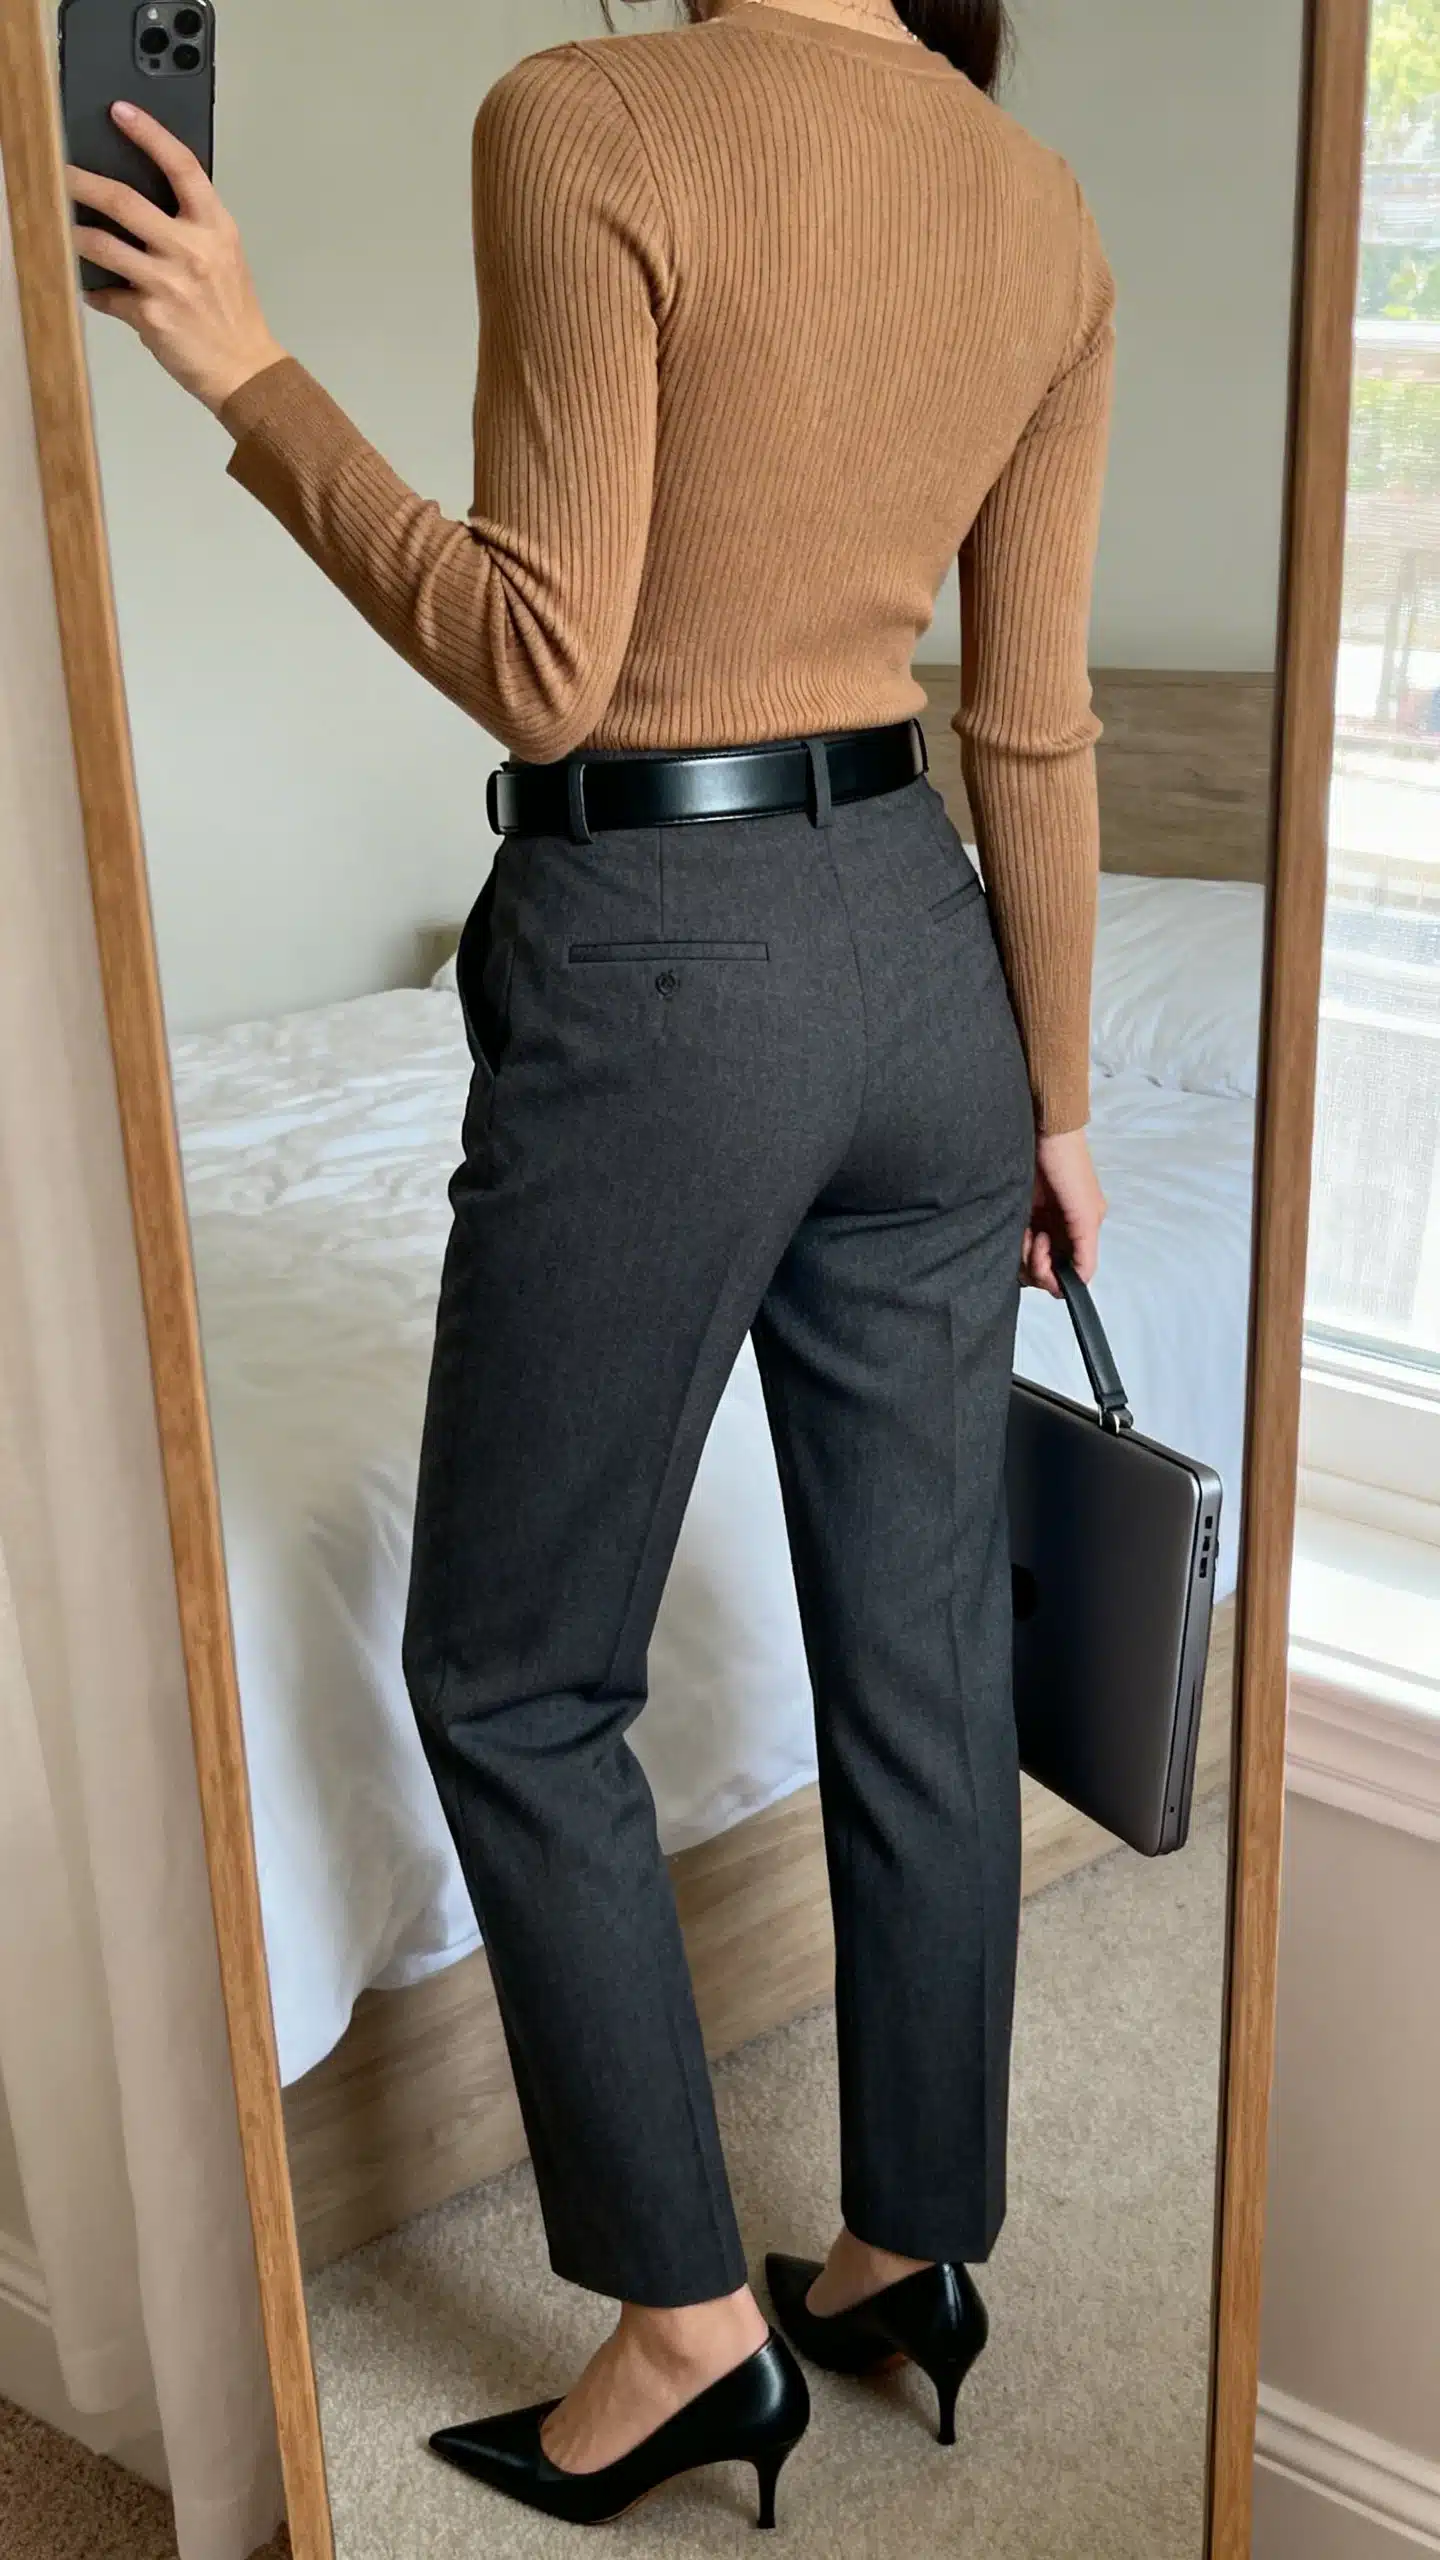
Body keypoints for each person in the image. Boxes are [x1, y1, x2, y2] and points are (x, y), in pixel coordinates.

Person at [68, 0, 1114, 2528]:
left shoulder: (590, 116)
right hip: (931, 967)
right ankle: (908, 2243)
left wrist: (249, 368)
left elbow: (546, 652)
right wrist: (1056, 1083)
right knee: (925, 1651)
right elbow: (1038, 712)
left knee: (513, 1670)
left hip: (670, 960)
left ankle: (683, 2322)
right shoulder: (1030, 200)